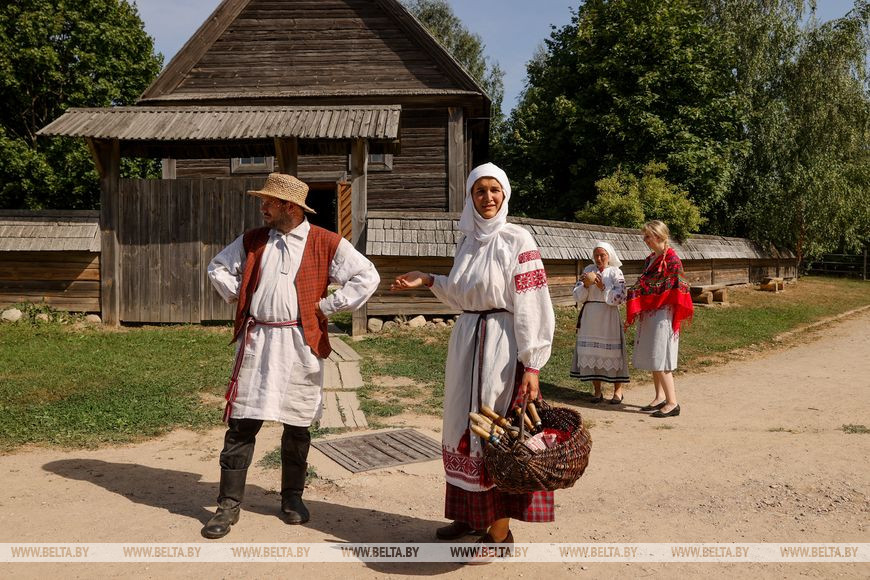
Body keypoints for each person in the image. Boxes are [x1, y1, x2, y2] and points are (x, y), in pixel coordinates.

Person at [203, 172, 379, 538]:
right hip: (258, 342)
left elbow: (367, 276)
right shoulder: (253, 240)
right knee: (242, 424)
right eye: (263, 201)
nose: (262, 208)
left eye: (268, 202)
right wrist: (239, 292)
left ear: (290, 207)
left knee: (297, 426)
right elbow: (217, 267)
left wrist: (329, 306)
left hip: (300, 344)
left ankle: (292, 498)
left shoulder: (325, 242)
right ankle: (228, 505)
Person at [390, 163, 556, 553]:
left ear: (505, 194)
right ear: (470, 196)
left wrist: (532, 363)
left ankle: (499, 532)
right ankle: (468, 516)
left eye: (494, 189)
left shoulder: (517, 239)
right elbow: (462, 292)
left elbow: (533, 303)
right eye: (479, 190)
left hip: (502, 344)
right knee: (459, 426)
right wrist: (428, 279)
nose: (488, 197)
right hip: (467, 342)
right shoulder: (466, 241)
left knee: (494, 431)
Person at [624, 220, 693, 418]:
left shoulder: (672, 259)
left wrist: (647, 292)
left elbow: (679, 286)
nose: (645, 239)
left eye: (648, 236)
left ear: (659, 236)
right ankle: (659, 397)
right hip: (650, 313)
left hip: (664, 314)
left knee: (661, 356)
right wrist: (638, 292)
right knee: (653, 356)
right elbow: (646, 283)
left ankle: (672, 403)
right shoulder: (650, 259)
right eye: (645, 236)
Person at [570, 241, 629, 404]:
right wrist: (586, 285)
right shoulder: (588, 270)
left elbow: (621, 296)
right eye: (596, 255)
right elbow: (577, 296)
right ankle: (597, 391)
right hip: (590, 317)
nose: (599, 258)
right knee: (593, 352)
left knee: (613, 354)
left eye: (602, 255)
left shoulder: (616, 272)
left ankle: (618, 391)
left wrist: (603, 287)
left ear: (609, 256)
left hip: (608, 315)